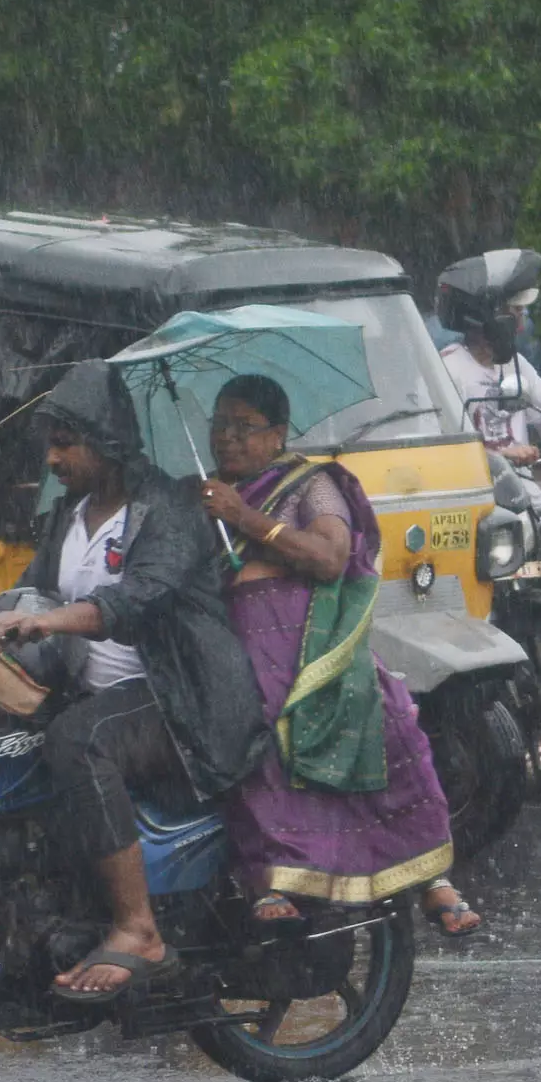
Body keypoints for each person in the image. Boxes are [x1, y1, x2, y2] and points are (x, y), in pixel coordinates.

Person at [0, 361, 268, 1001]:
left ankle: (138, 928)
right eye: (49, 444)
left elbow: (136, 599)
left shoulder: (167, 509)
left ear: (105, 440)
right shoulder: (69, 514)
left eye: (65, 443)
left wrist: (48, 621)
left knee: (78, 741)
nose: (52, 459)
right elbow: (34, 592)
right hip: (94, 691)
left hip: (179, 697)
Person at [195, 374, 478, 938]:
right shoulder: (200, 495)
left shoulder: (309, 484)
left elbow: (329, 557)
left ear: (278, 434)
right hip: (234, 643)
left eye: (243, 426)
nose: (227, 438)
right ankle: (276, 875)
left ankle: (430, 877)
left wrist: (243, 517)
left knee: (388, 715)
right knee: (253, 719)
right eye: (219, 425)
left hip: (314, 639)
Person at [435, 249, 541, 511]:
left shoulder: (513, 364)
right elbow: (445, 450)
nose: (523, 315)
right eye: (516, 309)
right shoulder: (449, 369)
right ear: (488, 316)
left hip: (528, 498)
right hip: (486, 505)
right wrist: (500, 456)